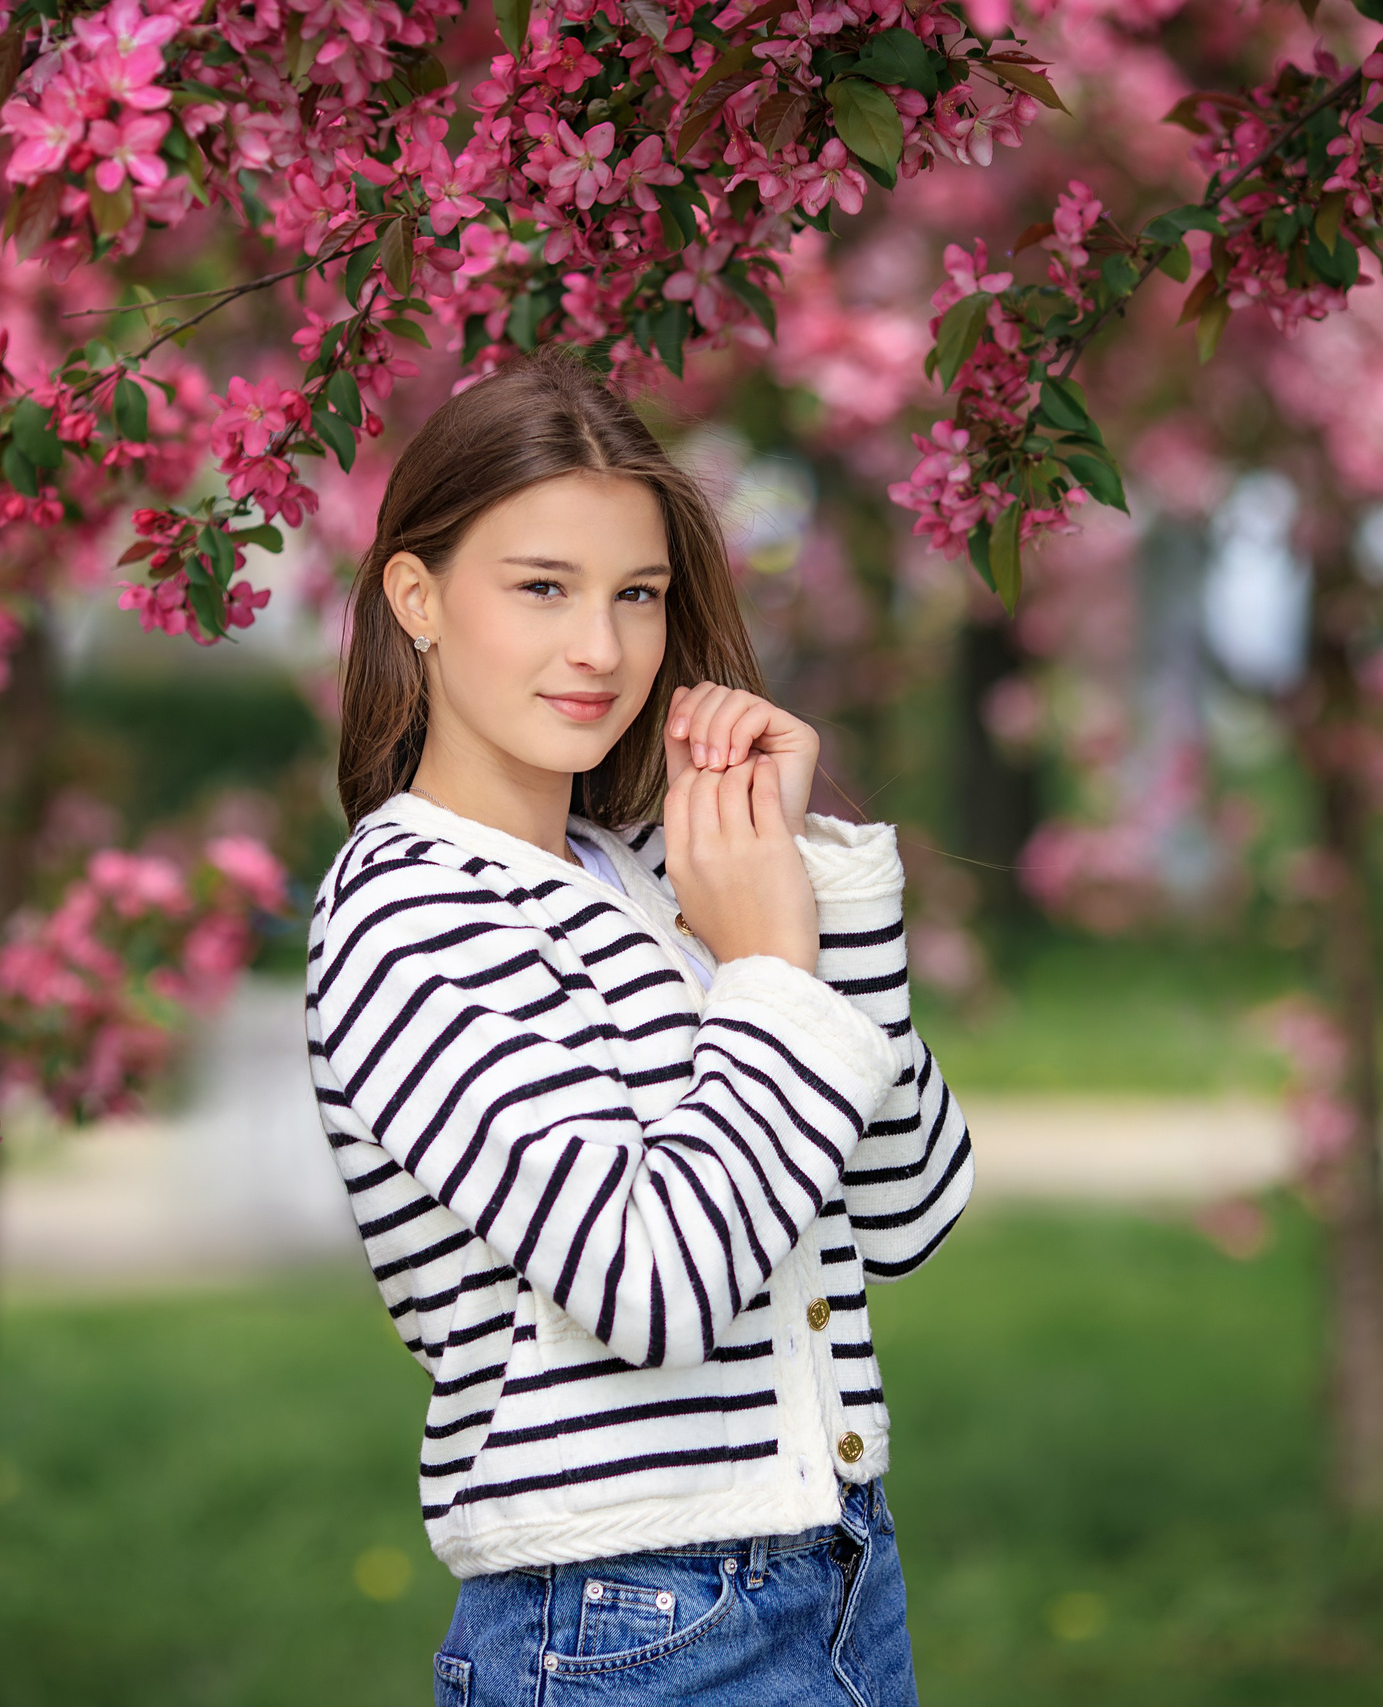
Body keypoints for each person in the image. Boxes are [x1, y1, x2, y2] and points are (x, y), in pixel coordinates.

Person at [304, 349, 974, 1706]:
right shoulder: (401, 915)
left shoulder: (654, 880)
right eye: (542, 588)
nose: (600, 649)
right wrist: (773, 965)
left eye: (638, 596)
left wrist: (818, 888)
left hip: (839, 1571)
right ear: (417, 596)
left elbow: (906, 1211)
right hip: (632, 1625)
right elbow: (649, 1287)